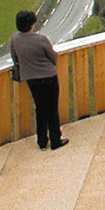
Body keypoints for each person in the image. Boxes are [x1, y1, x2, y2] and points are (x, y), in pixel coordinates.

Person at [10, 10, 67, 150]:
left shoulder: (15, 40)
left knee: (40, 109)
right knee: (52, 109)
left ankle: (42, 141)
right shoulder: (41, 39)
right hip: (48, 77)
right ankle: (55, 140)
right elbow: (53, 57)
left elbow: (15, 58)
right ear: (32, 24)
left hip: (31, 79)